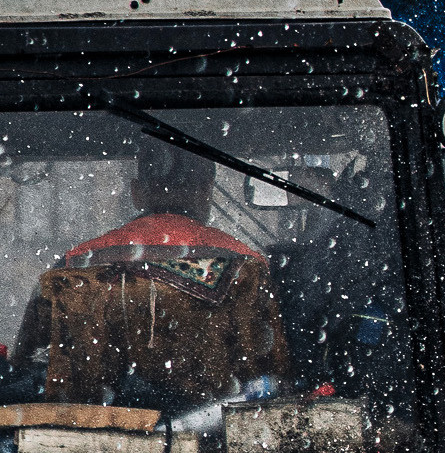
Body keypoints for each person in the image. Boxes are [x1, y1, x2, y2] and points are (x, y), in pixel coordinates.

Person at [13, 137, 288, 410]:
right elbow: (271, 378)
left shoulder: (73, 265)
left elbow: (31, 373)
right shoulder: (245, 265)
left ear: (136, 192)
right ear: (206, 190)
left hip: (87, 436)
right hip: (217, 439)